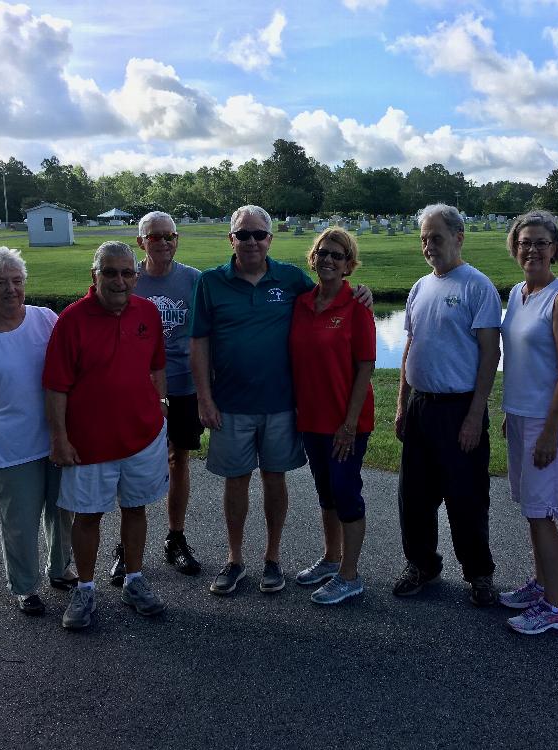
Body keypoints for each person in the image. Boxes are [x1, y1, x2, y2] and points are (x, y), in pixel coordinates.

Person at [191, 205, 371, 597]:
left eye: (259, 234)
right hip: (231, 404)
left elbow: (332, 292)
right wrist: (204, 397)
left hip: (281, 405)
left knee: (276, 479)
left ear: (270, 239)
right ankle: (235, 559)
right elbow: (199, 342)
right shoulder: (210, 282)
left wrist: (361, 292)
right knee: (236, 482)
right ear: (232, 239)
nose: (251, 241)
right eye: (244, 234)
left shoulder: (290, 280)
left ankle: (273, 560)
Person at [43, 241, 169, 630]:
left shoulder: (147, 312)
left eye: (127, 273)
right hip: (89, 443)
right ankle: (84, 588)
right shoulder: (73, 319)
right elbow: (56, 386)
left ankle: (134, 580)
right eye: (110, 273)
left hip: (142, 437)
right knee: (88, 515)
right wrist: (60, 438)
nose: (119, 280)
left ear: (136, 276)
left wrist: (160, 406)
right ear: (94, 275)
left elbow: (157, 366)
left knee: (136, 508)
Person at [393, 204, 502, 607]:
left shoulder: (477, 286)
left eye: (435, 237)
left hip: (460, 409)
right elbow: (410, 346)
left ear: (458, 237)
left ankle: (478, 573)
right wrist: (403, 404)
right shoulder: (420, 288)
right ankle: (421, 564)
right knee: (414, 496)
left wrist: (475, 415)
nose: (428, 246)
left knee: (467, 497)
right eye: (423, 238)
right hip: (421, 406)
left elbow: (491, 354)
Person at [0, 247, 74, 616]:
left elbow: (71, 371)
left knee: (63, 510)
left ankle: (61, 569)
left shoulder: (45, 319)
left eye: (16, 281)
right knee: (18, 521)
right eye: (0, 283)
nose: (10, 289)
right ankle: (24, 586)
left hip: (56, 435)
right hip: (10, 444)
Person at [497, 211, 558, 635]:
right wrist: (507, 412)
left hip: (546, 420)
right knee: (531, 510)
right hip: (519, 415)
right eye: (525, 242)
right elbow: (519, 358)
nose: (532, 249)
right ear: (515, 247)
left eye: (541, 242)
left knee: (542, 512)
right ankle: (541, 584)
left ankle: (555, 605)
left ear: (555, 249)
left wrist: (550, 430)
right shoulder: (518, 292)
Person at [108, 211, 203, 585]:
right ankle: (125, 548)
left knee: (179, 459)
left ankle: (175, 537)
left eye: (170, 236)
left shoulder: (194, 280)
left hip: (183, 384)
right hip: (137, 389)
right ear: (141, 242)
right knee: (130, 463)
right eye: (156, 237)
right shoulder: (130, 279)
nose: (164, 242)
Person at [289, 229, 375, 605]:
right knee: (326, 492)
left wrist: (349, 424)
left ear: (348, 265)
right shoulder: (302, 303)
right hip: (311, 419)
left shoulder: (357, 306)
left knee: (346, 492)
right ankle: (331, 558)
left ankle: (350, 576)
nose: (328, 260)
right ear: (313, 258)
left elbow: (366, 366)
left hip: (346, 422)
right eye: (323, 253)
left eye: (338, 256)